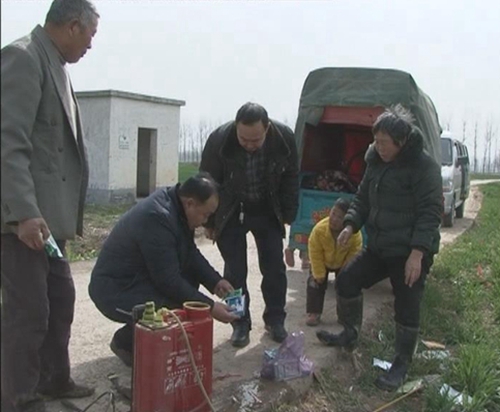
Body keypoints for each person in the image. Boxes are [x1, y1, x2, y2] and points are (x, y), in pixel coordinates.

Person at [1, 1, 99, 411]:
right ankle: (18, 396)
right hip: (22, 221)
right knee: (29, 311)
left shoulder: (55, 63)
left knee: (60, 299)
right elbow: (9, 142)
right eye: (90, 37)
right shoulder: (24, 58)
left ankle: (54, 379)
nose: (90, 46)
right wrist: (23, 212)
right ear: (73, 25)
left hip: (48, 222)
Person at [316, 105, 443, 391]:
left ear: (402, 142)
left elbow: (429, 213)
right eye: (377, 141)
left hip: (410, 252)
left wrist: (417, 254)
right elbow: (362, 198)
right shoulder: (375, 162)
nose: (379, 147)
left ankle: (400, 364)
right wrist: (350, 225)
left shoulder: (424, 168)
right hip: (381, 247)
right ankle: (350, 332)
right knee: (347, 280)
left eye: (385, 143)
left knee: (407, 305)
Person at [88, 173, 240, 366]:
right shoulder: (158, 217)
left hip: (136, 279)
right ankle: (126, 343)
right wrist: (210, 308)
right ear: (190, 203)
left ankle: (137, 339)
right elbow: (168, 281)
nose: (205, 221)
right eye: (206, 215)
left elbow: (190, 253)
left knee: (187, 287)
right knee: (180, 308)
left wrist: (215, 281)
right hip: (115, 290)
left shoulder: (178, 207)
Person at [200, 102, 299, 348]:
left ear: (267, 129)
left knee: (274, 268)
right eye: (244, 139)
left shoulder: (284, 138)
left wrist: (289, 213)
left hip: (267, 207)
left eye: (255, 140)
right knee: (234, 272)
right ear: (236, 128)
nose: (249, 145)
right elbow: (207, 182)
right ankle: (239, 322)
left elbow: (291, 177)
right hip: (231, 209)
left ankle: (275, 319)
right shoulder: (219, 140)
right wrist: (210, 221)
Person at [305, 197, 363, 326]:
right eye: (333, 214)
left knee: (347, 284)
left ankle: (344, 316)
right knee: (314, 283)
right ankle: (314, 313)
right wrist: (319, 273)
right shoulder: (319, 230)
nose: (334, 219)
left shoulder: (354, 234)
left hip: (342, 263)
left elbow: (354, 253)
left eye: (340, 217)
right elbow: (314, 252)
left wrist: (345, 272)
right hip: (322, 261)